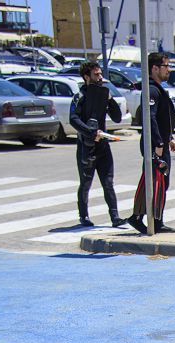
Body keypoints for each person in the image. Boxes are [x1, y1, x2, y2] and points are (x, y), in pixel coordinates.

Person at [127, 52, 175, 234]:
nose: (169, 70)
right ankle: (146, 219)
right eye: (166, 66)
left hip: (161, 143)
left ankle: (151, 219)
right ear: (155, 68)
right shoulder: (152, 90)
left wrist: (169, 137)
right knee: (155, 182)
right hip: (155, 145)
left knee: (158, 182)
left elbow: (163, 118)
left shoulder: (156, 89)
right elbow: (150, 118)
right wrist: (158, 143)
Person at [69, 60, 124, 227]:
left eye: (100, 74)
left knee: (108, 182)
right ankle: (84, 216)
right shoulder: (80, 96)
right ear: (87, 77)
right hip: (86, 146)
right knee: (86, 182)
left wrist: (110, 99)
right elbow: (73, 119)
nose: (100, 77)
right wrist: (91, 133)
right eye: (96, 74)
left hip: (103, 145)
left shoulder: (102, 94)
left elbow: (117, 117)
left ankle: (115, 217)